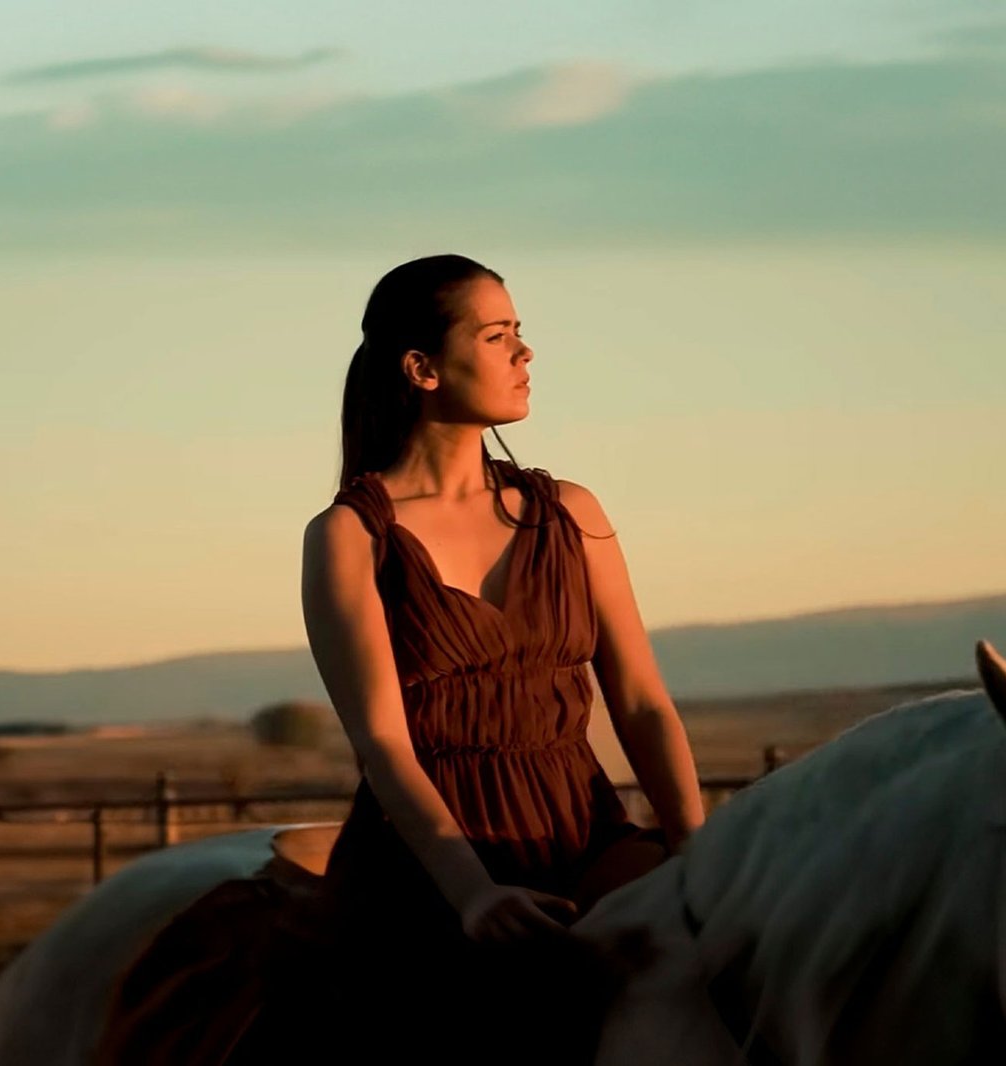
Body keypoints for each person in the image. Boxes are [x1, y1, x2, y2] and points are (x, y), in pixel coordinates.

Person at [94, 254, 706, 1064]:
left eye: (521, 333)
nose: (526, 355)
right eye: (497, 336)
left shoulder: (573, 513)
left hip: (583, 836)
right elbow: (383, 743)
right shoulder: (350, 537)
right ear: (420, 368)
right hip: (428, 866)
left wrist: (702, 854)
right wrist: (473, 894)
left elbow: (642, 703)